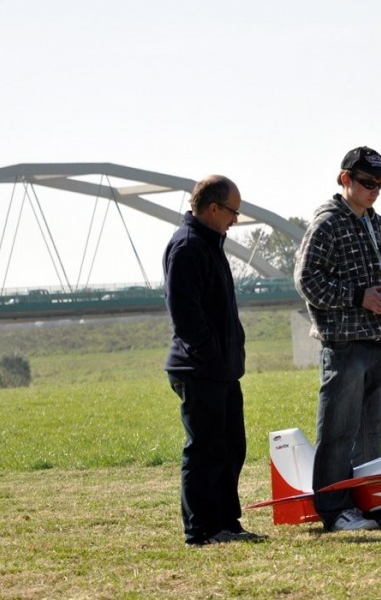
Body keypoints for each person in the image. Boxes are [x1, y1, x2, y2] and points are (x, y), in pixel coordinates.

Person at [295, 146, 381, 532]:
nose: (374, 189)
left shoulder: (379, 225)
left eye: (380, 183)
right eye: (367, 182)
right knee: (338, 432)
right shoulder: (327, 224)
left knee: (370, 432)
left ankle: (372, 504)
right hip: (344, 344)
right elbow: (307, 280)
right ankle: (334, 511)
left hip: (380, 341)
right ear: (345, 179)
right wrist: (358, 297)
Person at [163, 175, 267, 546]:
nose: (235, 219)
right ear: (213, 208)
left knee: (231, 448)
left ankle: (226, 523)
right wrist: (212, 354)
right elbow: (186, 315)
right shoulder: (188, 246)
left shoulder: (209, 243)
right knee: (205, 450)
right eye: (233, 212)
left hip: (220, 370)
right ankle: (202, 529)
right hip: (199, 369)